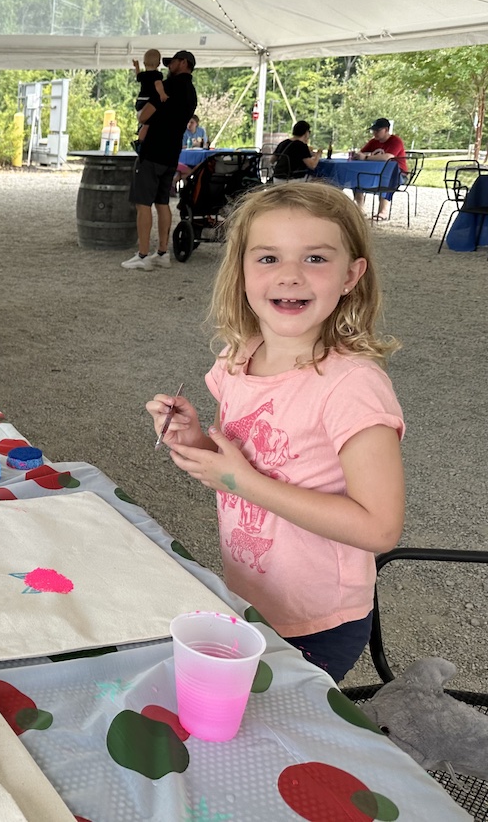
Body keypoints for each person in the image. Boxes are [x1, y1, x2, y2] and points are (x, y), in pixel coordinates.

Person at [146, 181, 404, 683]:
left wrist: (239, 481)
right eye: (268, 258)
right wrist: (195, 439)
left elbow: (379, 527)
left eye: (315, 259)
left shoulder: (352, 387)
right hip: (250, 594)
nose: (290, 276)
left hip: (318, 620)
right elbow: (246, 460)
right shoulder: (239, 357)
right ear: (240, 269)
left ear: (352, 275)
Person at [123, 50, 198, 271]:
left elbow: (144, 115)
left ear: (183, 63)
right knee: (162, 202)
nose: (168, 66)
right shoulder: (192, 92)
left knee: (143, 203)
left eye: (172, 62)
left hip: (153, 151)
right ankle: (163, 253)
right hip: (171, 153)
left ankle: (143, 255)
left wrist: (144, 114)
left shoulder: (167, 86)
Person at [353, 117, 407, 221]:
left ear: (386, 130)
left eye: (377, 130)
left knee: (386, 177)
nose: (375, 133)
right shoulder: (373, 142)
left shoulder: (395, 141)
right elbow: (361, 152)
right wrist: (361, 155)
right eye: (373, 130)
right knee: (357, 176)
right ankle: (359, 209)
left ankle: (383, 212)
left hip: (398, 174)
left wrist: (367, 157)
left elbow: (388, 157)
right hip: (376, 172)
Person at [131, 49, 166, 147]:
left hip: (140, 101)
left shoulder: (143, 75)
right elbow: (158, 84)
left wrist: (137, 66)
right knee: (148, 124)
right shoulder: (158, 75)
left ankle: (140, 138)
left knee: (144, 123)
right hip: (149, 101)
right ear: (159, 64)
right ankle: (140, 142)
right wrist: (162, 94)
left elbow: (138, 76)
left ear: (144, 63)